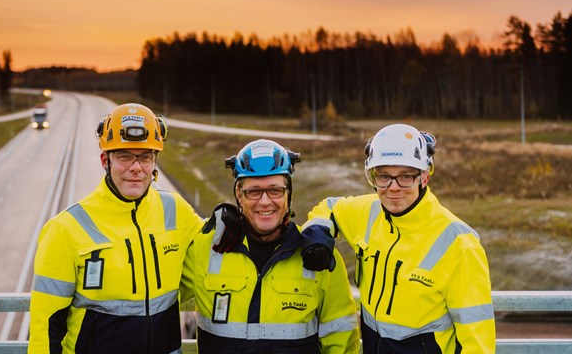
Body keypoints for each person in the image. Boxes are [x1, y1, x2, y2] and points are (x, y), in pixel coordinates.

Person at [301, 124, 496, 353]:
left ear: (424, 176)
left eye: (405, 176)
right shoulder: (368, 212)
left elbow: (478, 343)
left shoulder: (459, 244)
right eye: (383, 176)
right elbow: (328, 208)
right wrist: (317, 235)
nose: (393, 188)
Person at [28, 103, 206, 354]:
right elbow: (45, 330)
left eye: (145, 156)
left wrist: (234, 223)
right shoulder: (64, 229)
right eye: (124, 156)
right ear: (105, 160)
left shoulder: (176, 211)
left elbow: (216, 256)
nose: (136, 167)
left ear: (155, 162)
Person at [181, 139, 360, 354]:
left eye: (275, 190)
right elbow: (153, 293)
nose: (265, 202)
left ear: (288, 194)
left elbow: (341, 342)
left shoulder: (319, 257)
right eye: (254, 191)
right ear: (239, 195)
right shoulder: (205, 248)